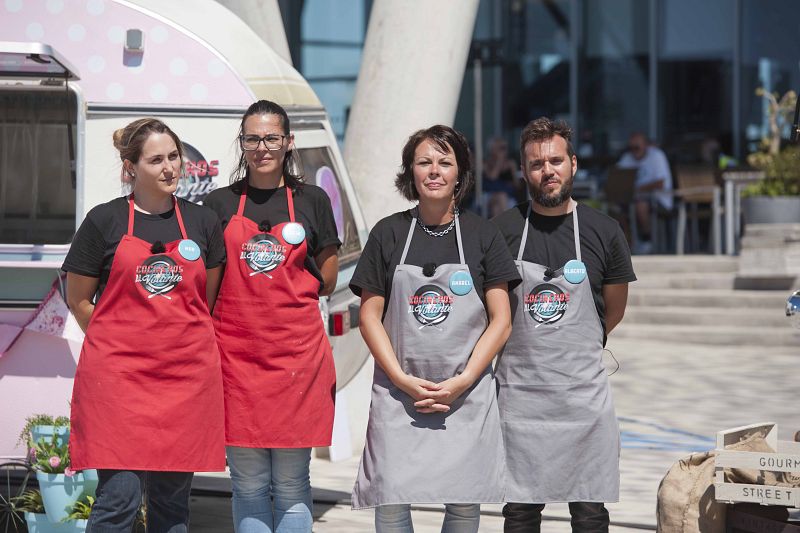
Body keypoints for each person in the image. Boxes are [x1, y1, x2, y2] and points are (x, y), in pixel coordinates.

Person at [350, 125, 520, 533]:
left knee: (463, 505)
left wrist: (462, 380)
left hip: (466, 395)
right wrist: (400, 379)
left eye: (445, 162)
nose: (434, 171)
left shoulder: (483, 235)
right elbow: (369, 316)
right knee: (390, 499)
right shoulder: (388, 233)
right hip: (397, 393)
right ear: (411, 171)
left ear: (460, 173)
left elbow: (502, 320)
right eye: (424, 162)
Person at [64, 118, 227, 532]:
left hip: (184, 382)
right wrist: (117, 342)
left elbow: (203, 302)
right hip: (118, 383)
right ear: (131, 167)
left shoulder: (203, 223)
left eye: (174, 157)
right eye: (156, 160)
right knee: (119, 499)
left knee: (173, 506)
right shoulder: (105, 221)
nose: (170, 167)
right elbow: (79, 299)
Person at [492, 117, 636, 533]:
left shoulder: (604, 231)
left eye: (556, 160)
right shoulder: (502, 231)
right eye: (537, 164)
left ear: (573, 164)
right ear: (523, 171)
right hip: (520, 400)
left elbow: (614, 310)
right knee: (519, 512)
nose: (547, 171)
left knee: (590, 512)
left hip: (582, 400)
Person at [203, 100, 339, 533]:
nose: (262, 147)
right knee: (247, 484)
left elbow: (329, 275)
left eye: (271, 138)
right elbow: (209, 279)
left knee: (294, 483)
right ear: (242, 143)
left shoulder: (312, 200)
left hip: (296, 360)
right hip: (236, 360)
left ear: (288, 142)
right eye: (252, 138)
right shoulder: (219, 203)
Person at [616, 132, 673, 254]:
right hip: (632, 199)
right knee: (615, 207)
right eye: (631, 148)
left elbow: (660, 183)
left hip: (660, 200)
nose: (634, 151)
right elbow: (617, 179)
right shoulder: (627, 157)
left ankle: (647, 240)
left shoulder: (657, 156)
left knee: (640, 205)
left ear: (646, 145)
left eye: (637, 147)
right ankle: (627, 242)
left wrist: (637, 189)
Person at [483, 137, 520, 217]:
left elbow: (517, 184)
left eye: (505, 148)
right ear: (492, 149)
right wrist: (499, 161)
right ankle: (507, 225)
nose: (504, 151)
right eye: (501, 148)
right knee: (501, 196)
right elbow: (492, 178)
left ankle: (498, 228)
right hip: (490, 194)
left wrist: (510, 184)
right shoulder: (487, 163)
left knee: (496, 208)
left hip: (507, 195)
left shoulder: (511, 163)